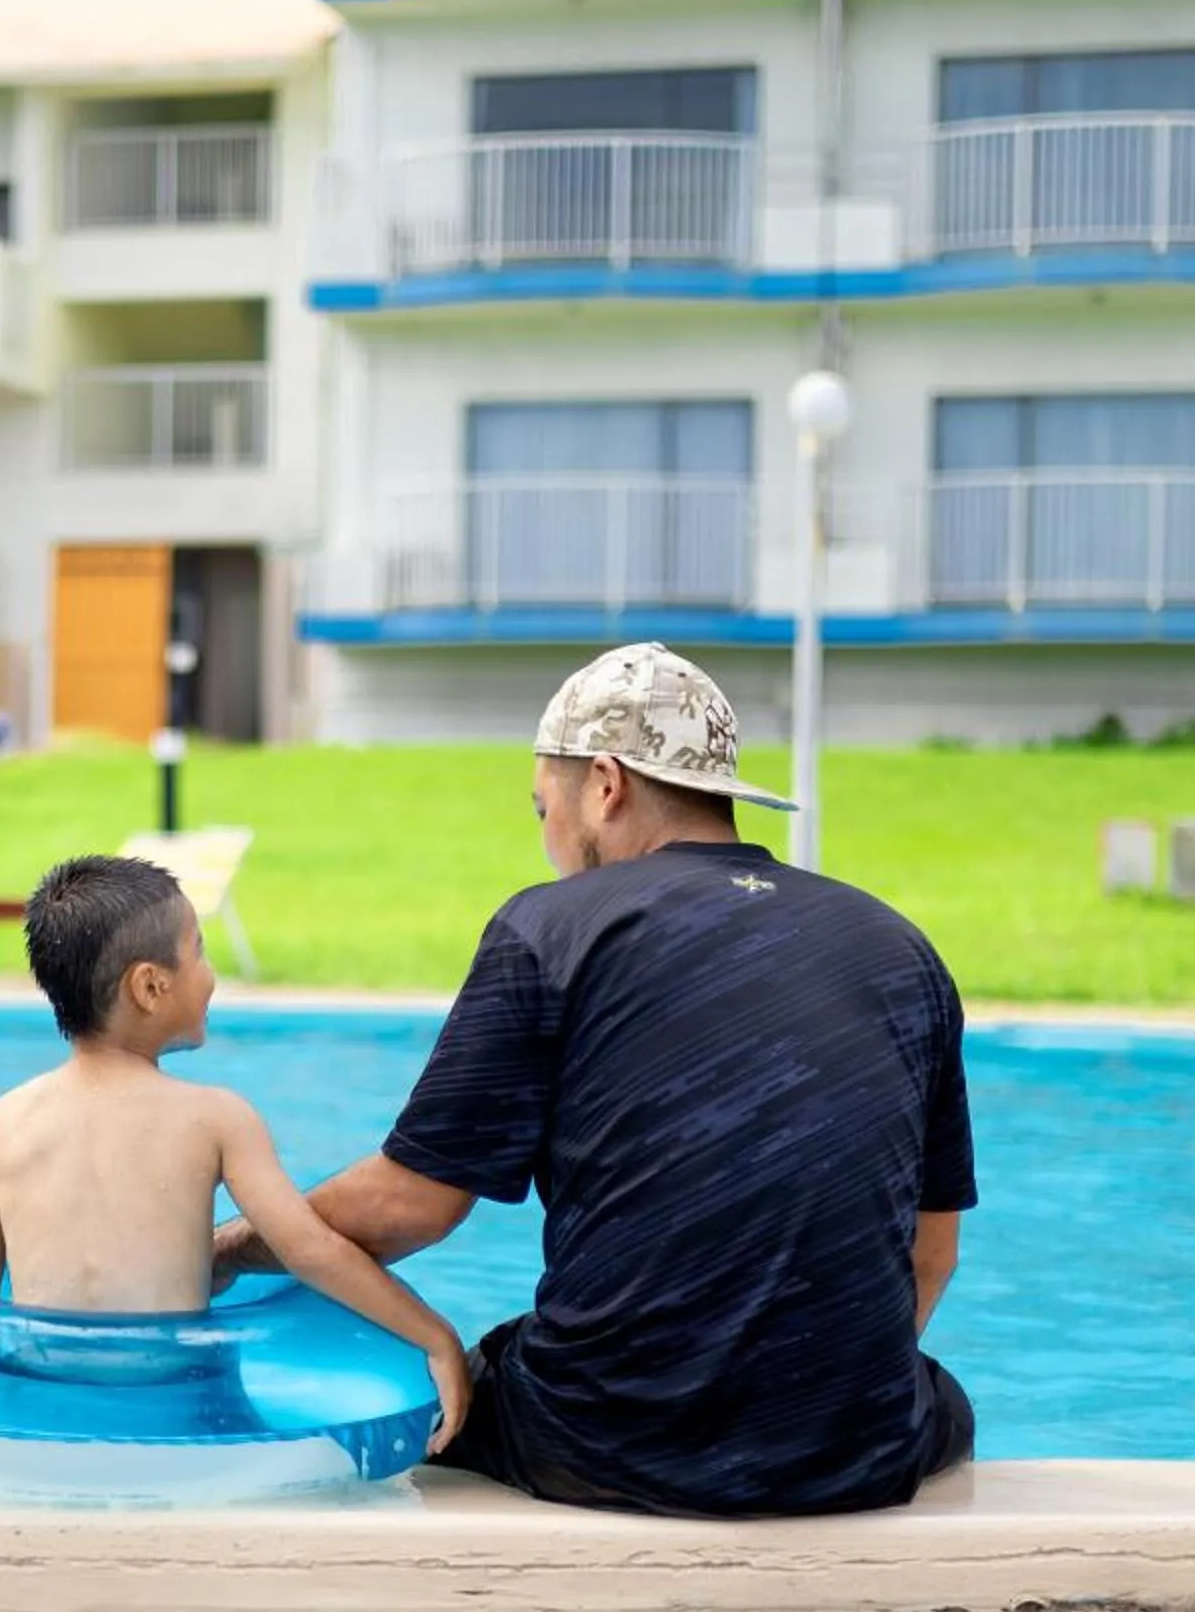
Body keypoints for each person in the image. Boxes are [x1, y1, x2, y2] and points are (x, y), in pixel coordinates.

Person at [213, 642, 976, 1518]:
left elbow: (405, 1209)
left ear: (604, 784)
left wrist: (230, 1249)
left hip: (609, 1445)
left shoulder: (553, 929)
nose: (546, 839)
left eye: (544, 806)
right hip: (855, 1454)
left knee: (421, 1376)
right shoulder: (898, 947)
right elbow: (931, 1253)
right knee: (929, 1392)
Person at [0, 854, 470, 1448]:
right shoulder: (216, 1117)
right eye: (198, 951)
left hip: (42, 1411)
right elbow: (310, 1251)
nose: (211, 974)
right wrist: (434, 1337)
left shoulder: (4, 1121)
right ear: (151, 985)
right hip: (167, 1412)